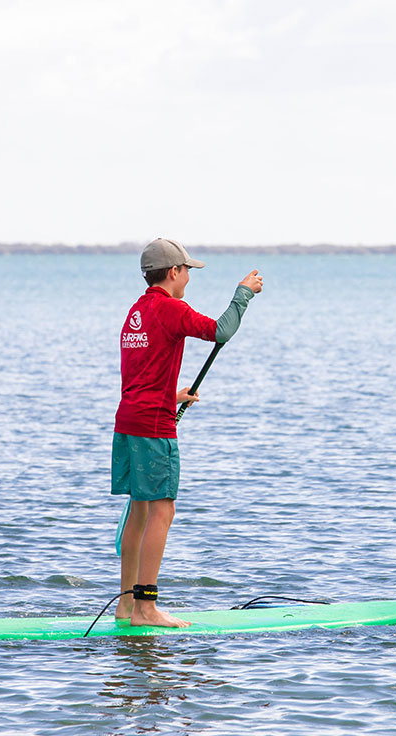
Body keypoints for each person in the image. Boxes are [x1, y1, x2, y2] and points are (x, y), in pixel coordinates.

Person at [112, 237, 264, 627]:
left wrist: (169, 394)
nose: (188, 279)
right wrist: (243, 294)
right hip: (152, 426)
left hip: (129, 419)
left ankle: (126, 606)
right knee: (163, 509)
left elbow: (140, 371)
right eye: (187, 271)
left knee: (140, 512)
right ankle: (146, 608)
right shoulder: (170, 308)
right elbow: (220, 331)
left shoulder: (137, 312)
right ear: (174, 272)